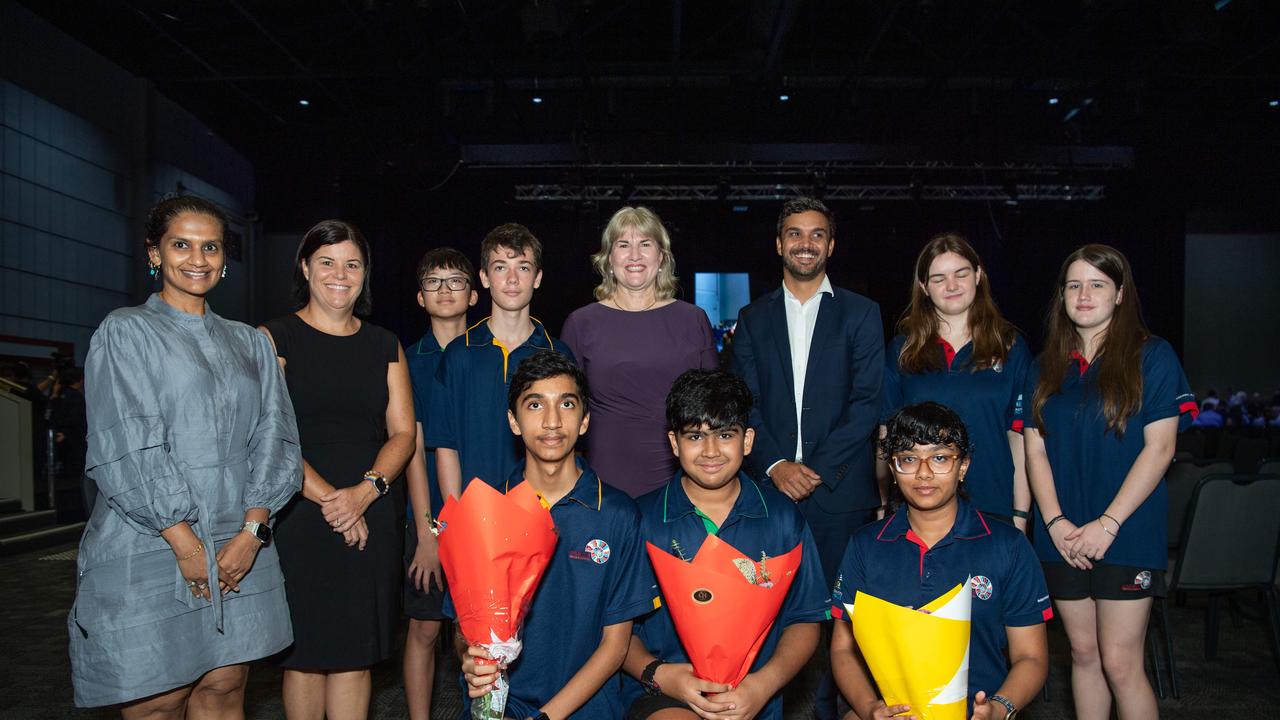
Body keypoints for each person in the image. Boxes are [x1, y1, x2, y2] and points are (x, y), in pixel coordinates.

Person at [69, 194, 302, 716]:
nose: (197, 259)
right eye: (181, 245)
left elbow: (276, 437)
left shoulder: (251, 343)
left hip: (240, 543)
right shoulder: (125, 331)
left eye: (211, 247)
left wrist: (253, 533)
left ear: (224, 259)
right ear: (154, 254)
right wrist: (184, 543)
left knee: (224, 686)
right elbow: (125, 443)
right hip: (149, 540)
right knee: (159, 697)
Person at [1025, 244, 1196, 720]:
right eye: (1074, 285)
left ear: (1120, 294)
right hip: (1061, 536)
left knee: (1121, 663)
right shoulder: (1043, 366)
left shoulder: (1153, 356)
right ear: (1061, 296)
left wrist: (1108, 523)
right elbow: (1034, 450)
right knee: (1083, 655)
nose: (1084, 294)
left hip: (1126, 532)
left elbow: (1160, 449)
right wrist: (1055, 522)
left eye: (1097, 284)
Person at [261, 220, 416, 720]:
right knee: (304, 656)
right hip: (300, 512)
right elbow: (269, 435)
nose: (340, 274)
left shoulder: (384, 343)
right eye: (326, 262)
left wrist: (364, 494)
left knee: (356, 653)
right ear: (305, 267)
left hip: (373, 507)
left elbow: (404, 434)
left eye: (352, 264)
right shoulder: (273, 338)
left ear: (365, 274)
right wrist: (334, 500)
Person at [457, 350, 655, 719]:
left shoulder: (618, 514)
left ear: (584, 421)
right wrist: (470, 659)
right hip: (503, 704)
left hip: (587, 707)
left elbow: (616, 646)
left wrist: (547, 717)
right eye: (534, 405)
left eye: (566, 404)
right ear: (513, 422)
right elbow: (463, 628)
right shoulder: (485, 510)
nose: (551, 421)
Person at [622, 369, 829, 720]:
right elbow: (615, 630)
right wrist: (661, 675)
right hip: (665, 691)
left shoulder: (781, 518)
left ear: (747, 441)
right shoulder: (642, 520)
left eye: (725, 434)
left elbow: (805, 618)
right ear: (674, 443)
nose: (711, 450)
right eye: (695, 437)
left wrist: (762, 685)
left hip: (754, 697)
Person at [830, 402, 1050, 720]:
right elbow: (841, 649)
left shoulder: (1007, 545)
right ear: (892, 470)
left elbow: (1031, 657)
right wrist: (869, 708)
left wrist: (1000, 709)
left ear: (963, 466)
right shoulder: (866, 545)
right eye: (908, 459)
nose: (923, 472)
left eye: (940, 458)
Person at [561, 206, 719, 497]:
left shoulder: (692, 319)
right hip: (603, 478)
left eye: (645, 244)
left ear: (661, 257)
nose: (634, 255)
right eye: (623, 245)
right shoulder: (581, 323)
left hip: (684, 478)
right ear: (609, 259)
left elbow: (713, 408)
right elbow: (566, 412)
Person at [881, 233, 1033, 527]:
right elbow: (887, 437)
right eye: (938, 278)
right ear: (924, 287)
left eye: (961, 274)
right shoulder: (903, 349)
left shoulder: (1010, 347)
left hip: (991, 505)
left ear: (978, 275)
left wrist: (1020, 515)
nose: (951, 286)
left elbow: (1019, 439)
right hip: (917, 508)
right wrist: (884, 504)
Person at [426, 223, 573, 499]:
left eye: (524, 267)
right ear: (484, 277)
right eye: (501, 267)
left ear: (538, 278)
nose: (513, 279)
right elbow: (446, 446)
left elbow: (569, 443)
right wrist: (455, 516)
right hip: (475, 516)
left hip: (542, 512)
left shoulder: (559, 354)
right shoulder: (458, 354)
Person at [402, 247, 477, 720]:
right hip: (426, 509)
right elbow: (411, 447)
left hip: (485, 514)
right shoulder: (408, 361)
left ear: (474, 292)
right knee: (425, 630)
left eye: (455, 281)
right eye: (434, 282)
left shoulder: (491, 351)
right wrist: (429, 531)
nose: (446, 290)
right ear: (419, 296)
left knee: (473, 631)